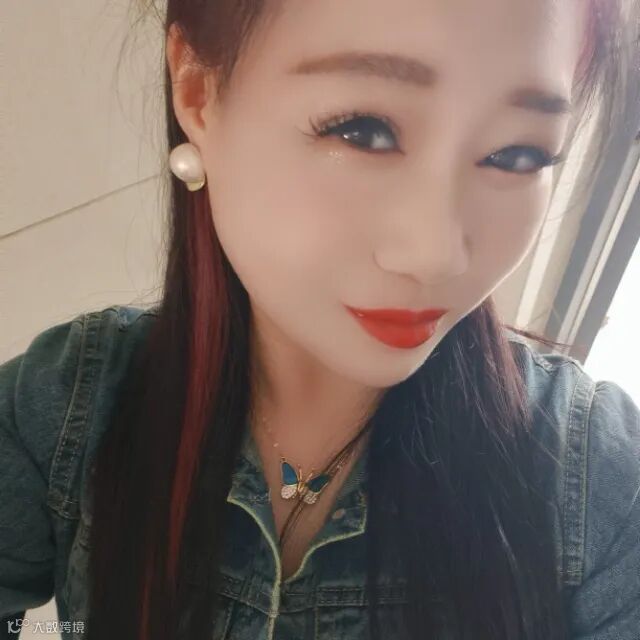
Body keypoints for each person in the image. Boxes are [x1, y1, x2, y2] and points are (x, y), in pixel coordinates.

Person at [1, 0, 639, 638]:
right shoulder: (62, 411)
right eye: (363, 130)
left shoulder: (595, 480)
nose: (437, 254)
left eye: (518, 154)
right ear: (198, 93)